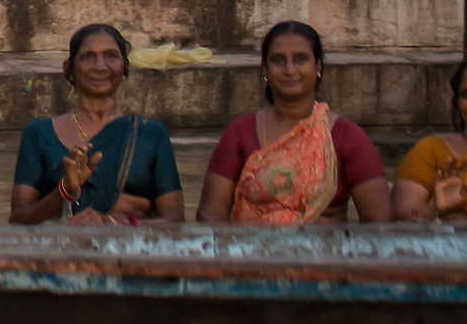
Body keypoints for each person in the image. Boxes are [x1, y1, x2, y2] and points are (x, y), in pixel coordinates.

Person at [196, 22, 392, 225]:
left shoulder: (348, 137)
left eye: (300, 59)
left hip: (324, 252)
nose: (290, 70)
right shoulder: (239, 133)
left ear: (318, 66)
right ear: (265, 68)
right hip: (254, 252)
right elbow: (210, 214)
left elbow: (379, 220)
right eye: (278, 61)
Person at [8, 24, 185, 225]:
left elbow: (175, 221)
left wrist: (113, 225)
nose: (100, 66)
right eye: (87, 57)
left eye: (111, 56)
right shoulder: (39, 133)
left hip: (130, 251)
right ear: (69, 69)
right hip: (62, 251)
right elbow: (18, 222)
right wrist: (64, 190)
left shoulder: (151, 134)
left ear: (125, 69)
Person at [393, 60, 467, 224]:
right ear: (457, 101)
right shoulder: (430, 151)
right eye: (466, 95)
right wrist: (435, 208)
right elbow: (399, 220)